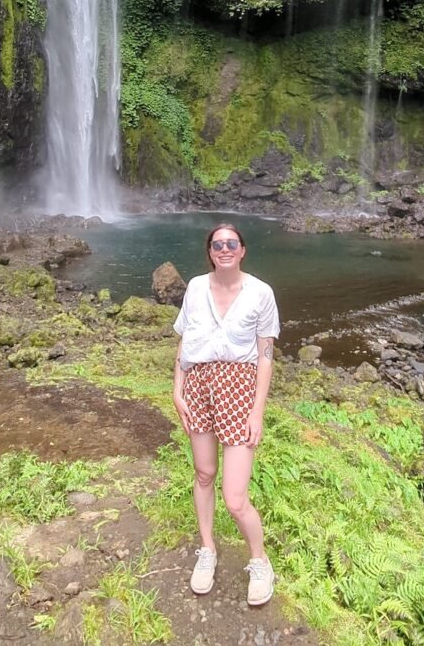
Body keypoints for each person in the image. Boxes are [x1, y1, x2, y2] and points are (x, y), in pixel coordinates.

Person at [172, 222, 280, 606]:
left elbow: (266, 355)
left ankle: (260, 560)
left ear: (243, 250)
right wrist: (177, 389)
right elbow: (186, 340)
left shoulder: (260, 293)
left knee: (235, 497)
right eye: (218, 244)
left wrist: (257, 412)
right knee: (203, 473)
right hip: (198, 384)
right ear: (210, 252)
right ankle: (207, 549)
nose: (225, 248)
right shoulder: (196, 288)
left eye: (231, 243)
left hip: (239, 388)